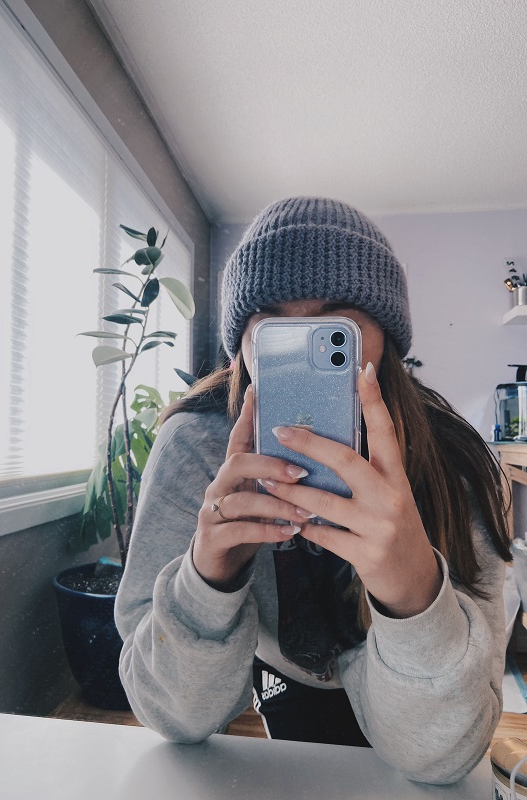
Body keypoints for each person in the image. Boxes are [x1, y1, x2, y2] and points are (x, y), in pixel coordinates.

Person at [114, 197, 511, 784]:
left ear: (387, 339)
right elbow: (174, 716)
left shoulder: (457, 465)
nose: (301, 341)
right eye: (272, 322)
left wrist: (413, 594)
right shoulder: (195, 448)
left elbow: (442, 757)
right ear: (241, 344)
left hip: (422, 713)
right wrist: (207, 580)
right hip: (280, 688)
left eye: (332, 325)